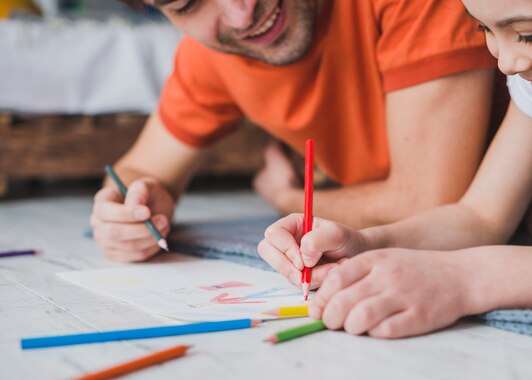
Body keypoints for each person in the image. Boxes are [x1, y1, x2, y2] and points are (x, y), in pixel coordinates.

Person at [258, 0, 532, 339]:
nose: (506, 63)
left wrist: (467, 278)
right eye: (485, 30)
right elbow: (481, 216)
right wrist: (368, 243)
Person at [90, 0, 496, 262]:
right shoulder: (209, 54)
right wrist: (128, 208)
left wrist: (284, 198)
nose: (241, 13)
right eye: (187, 4)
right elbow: (141, 170)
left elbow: (433, 203)